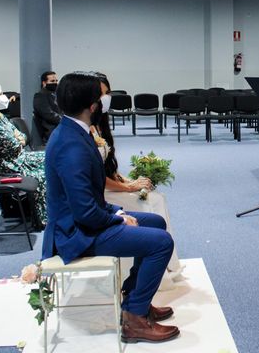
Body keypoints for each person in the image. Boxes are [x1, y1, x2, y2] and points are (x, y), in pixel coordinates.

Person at [42, 72, 179, 344]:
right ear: (92, 106)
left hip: (86, 221)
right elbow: (84, 212)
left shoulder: (74, 130)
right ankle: (135, 320)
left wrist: (117, 212)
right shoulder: (72, 145)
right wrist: (118, 220)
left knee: (155, 222)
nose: (106, 100)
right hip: (77, 232)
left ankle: (133, 298)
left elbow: (90, 198)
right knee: (161, 243)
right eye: (102, 97)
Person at [92, 73, 184, 289]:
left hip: (110, 184)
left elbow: (106, 166)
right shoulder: (85, 130)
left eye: (107, 93)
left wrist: (128, 180)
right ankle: (155, 260)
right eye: (102, 94)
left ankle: (168, 264)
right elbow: (95, 177)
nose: (106, 98)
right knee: (147, 204)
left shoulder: (99, 123)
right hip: (101, 193)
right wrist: (128, 187)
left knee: (158, 198)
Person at [0, 83, 47, 228]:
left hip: (17, 156)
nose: (4, 97)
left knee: (50, 157)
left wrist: (18, 139)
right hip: (9, 163)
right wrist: (18, 139)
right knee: (45, 169)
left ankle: (48, 211)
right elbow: (11, 144)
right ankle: (42, 218)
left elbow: (22, 137)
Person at [33, 71, 61, 143]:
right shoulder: (40, 96)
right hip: (52, 131)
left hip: (60, 128)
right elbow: (48, 114)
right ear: (44, 83)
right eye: (52, 81)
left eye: (56, 81)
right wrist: (65, 121)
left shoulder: (55, 94)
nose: (55, 83)